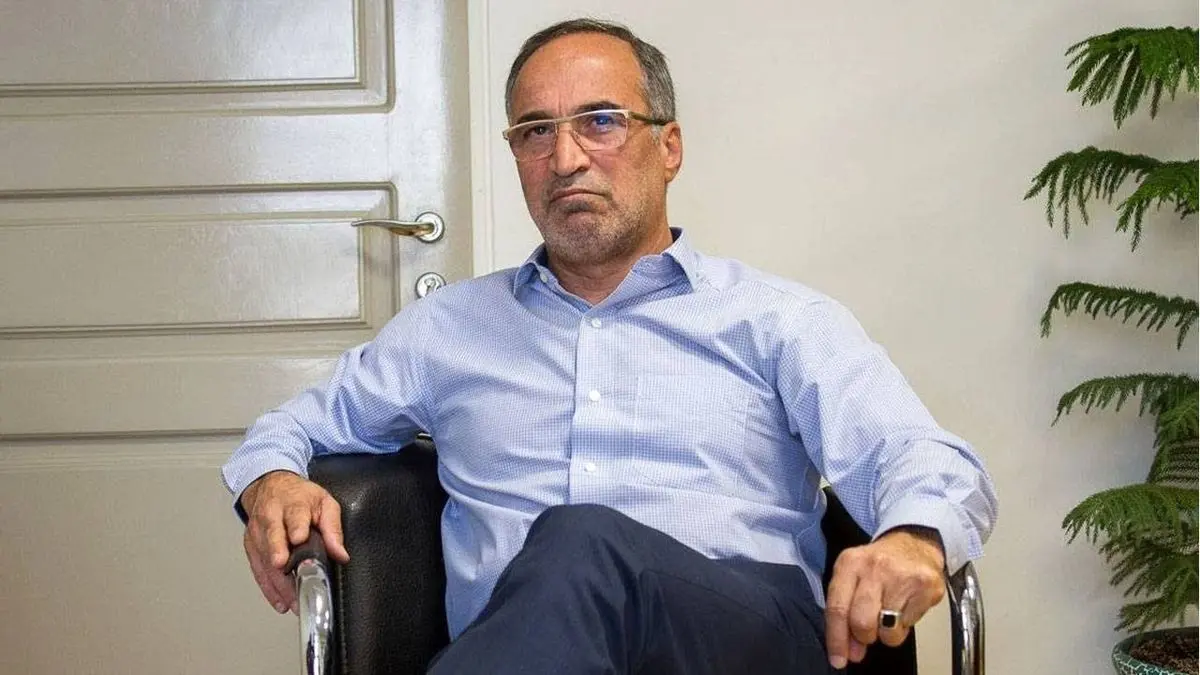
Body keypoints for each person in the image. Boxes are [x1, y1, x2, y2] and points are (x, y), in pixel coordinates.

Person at [223, 18, 998, 674]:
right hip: (522, 648)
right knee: (569, 559)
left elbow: (923, 455)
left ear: (669, 147)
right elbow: (287, 429)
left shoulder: (776, 320)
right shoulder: (448, 330)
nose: (565, 160)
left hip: (742, 639)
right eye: (536, 132)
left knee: (581, 539)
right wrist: (273, 481)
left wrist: (914, 537)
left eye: (600, 121)